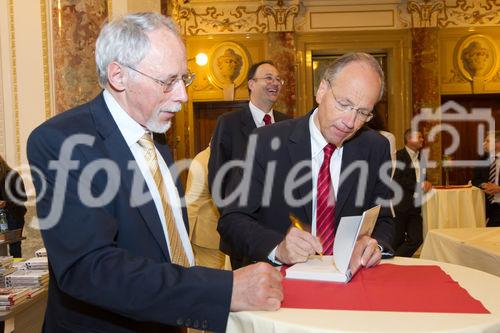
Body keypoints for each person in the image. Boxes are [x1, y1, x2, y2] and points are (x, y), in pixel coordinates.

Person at [27, 12, 282, 333]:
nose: (183, 96)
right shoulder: (62, 141)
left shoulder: (155, 136)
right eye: (167, 82)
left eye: (184, 79)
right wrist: (222, 289)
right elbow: (90, 269)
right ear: (119, 76)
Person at [217, 52, 394, 268]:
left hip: (350, 283)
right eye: (344, 104)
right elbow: (232, 220)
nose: (350, 122)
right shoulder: (265, 142)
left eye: (363, 112)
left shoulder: (375, 147)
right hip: (282, 282)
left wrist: (376, 245)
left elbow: (385, 219)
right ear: (321, 91)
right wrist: (278, 248)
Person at [208, 60, 290, 268]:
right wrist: (234, 220)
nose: (275, 82)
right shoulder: (228, 123)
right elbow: (218, 177)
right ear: (251, 84)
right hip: (245, 233)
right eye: (268, 77)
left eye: (278, 78)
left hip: (282, 235)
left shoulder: (288, 124)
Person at [392, 129, 432, 257]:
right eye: (419, 137)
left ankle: (395, 261)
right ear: (409, 139)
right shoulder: (398, 156)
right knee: (396, 240)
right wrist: (419, 185)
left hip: (416, 206)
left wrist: (426, 183)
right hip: (400, 206)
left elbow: (422, 177)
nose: (422, 140)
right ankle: (394, 266)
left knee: (416, 239)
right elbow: (397, 179)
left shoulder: (422, 158)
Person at [186, 145, 226, 269]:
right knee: (213, 276)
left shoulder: (211, 157)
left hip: (212, 233)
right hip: (205, 233)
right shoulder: (207, 159)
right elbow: (191, 202)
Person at [0, 155, 27, 257]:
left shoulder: (12, 175)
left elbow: (23, 197)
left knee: (14, 247)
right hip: (2, 216)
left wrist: (6, 202)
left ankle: (16, 271)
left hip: (14, 215)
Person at [472, 131, 500, 227]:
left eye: (487, 141)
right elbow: (475, 180)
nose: (484, 144)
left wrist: (498, 189)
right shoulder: (482, 160)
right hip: (485, 204)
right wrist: (484, 185)